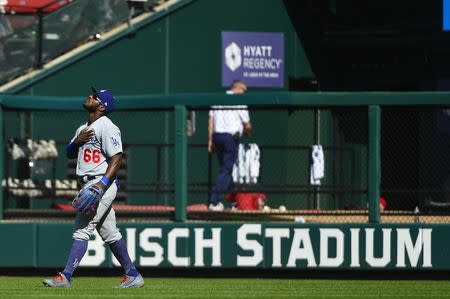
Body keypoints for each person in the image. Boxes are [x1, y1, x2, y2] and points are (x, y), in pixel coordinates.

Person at [43, 87, 144, 288]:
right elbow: (69, 153)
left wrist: (101, 184)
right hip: (89, 183)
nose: (91, 96)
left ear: (102, 105)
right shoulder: (83, 128)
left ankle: (66, 277)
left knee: (81, 229)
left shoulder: (107, 126)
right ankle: (133, 275)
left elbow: (117, 158)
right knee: (110, 233)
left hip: (100, 183)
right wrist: (75, 143)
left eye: (96, 96)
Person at [208, 80, 252, 211]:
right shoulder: (239, 101)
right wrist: (249, 132)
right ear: (238, 90)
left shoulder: (218, 99)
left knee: (226, 169)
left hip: (217, 136)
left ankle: (234, 200)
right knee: (226, 170)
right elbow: (247, 125)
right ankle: (214, 202)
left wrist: (210, 140)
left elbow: (211, 120)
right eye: (243, 92)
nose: (244, 95)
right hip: (229, 139)